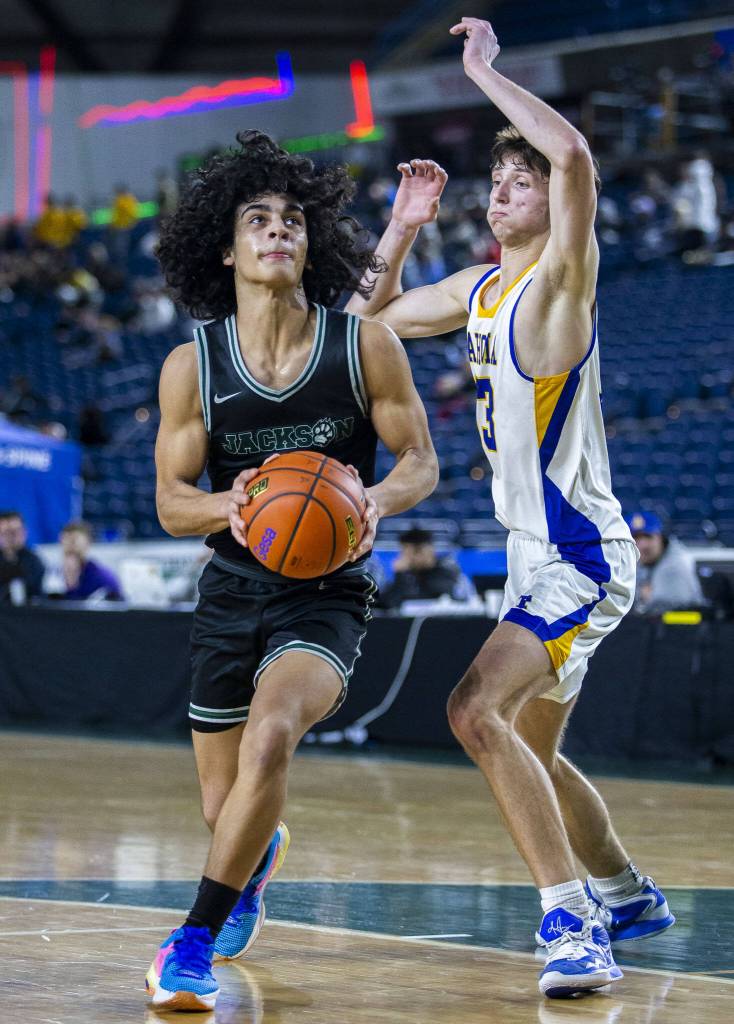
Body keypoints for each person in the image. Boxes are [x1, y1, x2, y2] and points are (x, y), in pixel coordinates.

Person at [346, 17, 673, 999]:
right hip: (533, 555)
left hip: (579, 553)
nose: (500, 192)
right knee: (530, 750)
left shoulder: (561, 284)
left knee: (470, 709)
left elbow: (571, 153)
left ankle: (571, 923)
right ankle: (625, 889)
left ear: (553, 203)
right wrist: (402, 224)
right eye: (495, 182)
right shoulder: (479, 287)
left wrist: (482, 72)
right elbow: (367, 322)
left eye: (518, 182)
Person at [147, 130, 438, 1011]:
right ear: (226, 248)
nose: (279, 232)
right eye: (258, 220)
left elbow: (421, 460)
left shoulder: (362, 347)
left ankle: (187, 941)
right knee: (224, 806)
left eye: (293, 222)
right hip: (233, 590)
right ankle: (256, 854)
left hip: (328, 592)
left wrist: (372, 504)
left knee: (274, 733)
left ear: (311, 245)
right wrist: (231, 508)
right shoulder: (191, 366)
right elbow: (169, 501)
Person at [627, 511, 705, 613]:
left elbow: (668, 605)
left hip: (687, 624)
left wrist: (646, 597)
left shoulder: (675, 563)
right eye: (636, 538)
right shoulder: (640, 559)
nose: (643, 545)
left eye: (648, 536)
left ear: (661, 537)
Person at [379, 526, 475, 609]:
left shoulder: (446, 568)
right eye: (404, 552)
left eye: (416, 551)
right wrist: (399, 575)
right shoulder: (406, 574)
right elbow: (386, 603)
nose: (408, 558)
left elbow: (434, 595)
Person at [59, 521, 123, 601]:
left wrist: (73, 584)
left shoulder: (102, 578)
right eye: (64, 540)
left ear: (88, 543)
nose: (68, 546)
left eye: (73, 541)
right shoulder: (55, 576)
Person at [0, 510, 45, 604]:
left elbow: (34, 591)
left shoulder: (34, 562)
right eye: (6, 532)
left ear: (24, 532)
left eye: (15, 532)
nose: (11, 537)